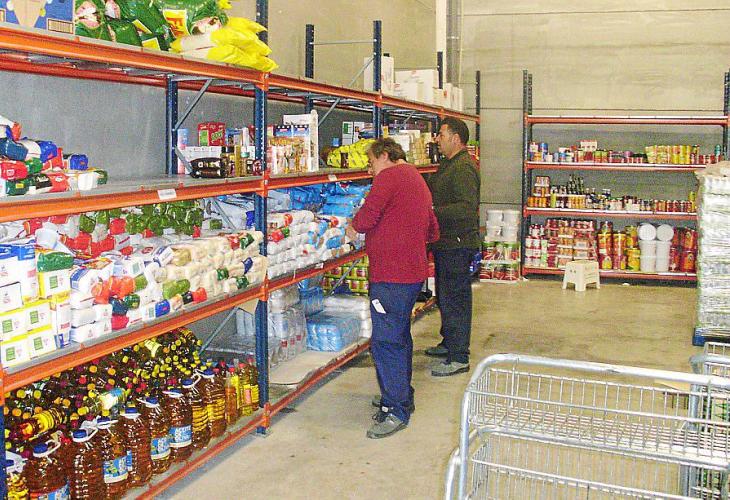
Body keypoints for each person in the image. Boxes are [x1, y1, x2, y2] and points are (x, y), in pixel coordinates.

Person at [349, 138, 439, 439]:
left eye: (371, 163)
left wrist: (352, 228)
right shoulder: (416, 178)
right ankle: (401, 394)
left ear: (385, 156)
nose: (370, 170)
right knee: (399, 336)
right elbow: (433, 228)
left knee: (386, 341)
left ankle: (395, 409)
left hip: (391, 276)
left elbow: (367, 216)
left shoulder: (389, 178)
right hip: (412, 274)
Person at [426, 117, 480, 377]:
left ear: (456, 138)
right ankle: (448, 342)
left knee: (456, 299)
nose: (438, 139)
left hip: (457, 243)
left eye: (442, 135)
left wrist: (433, 211)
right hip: (445, 242)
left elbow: (466, 208)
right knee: (445, 296)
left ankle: (459, 356)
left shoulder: (464, 168)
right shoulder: (449, 164)